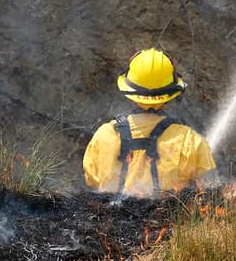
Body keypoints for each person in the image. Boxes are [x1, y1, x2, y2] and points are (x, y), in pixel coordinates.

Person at [83, 48, 216, 194]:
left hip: (107, 215)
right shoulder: (190, 141)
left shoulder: (104, 135)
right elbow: (210, 190)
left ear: (128, 90)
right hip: (168, 216)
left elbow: (91, 180)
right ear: (172, 92)